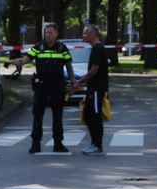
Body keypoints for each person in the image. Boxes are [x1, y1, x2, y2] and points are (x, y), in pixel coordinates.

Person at [27, 22, 72, 153]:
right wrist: (13, 62)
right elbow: (26, 59)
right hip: (41, 85)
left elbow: (68, 66)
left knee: (57, 115)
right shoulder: (38, 47)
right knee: (37, 114)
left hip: (57, 85)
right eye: (46, 32)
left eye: (50, 32)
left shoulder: (62, 48)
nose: (48, 35)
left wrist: (73, 82)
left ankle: (58, 143)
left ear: (56, 34)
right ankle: (36, 143)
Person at [79, 25, 114, 154]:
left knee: (94, 115)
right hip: (93, 88)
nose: (83, 36)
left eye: (86, 33)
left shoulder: (98, 49)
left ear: (94, 35)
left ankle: (97, 145)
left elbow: (94, 70)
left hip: (96, 88)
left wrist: (81, 80)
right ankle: (94, 143)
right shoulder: (95, 49)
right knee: (88, 114)